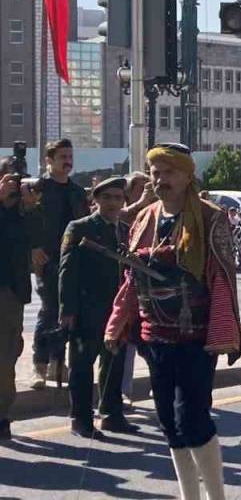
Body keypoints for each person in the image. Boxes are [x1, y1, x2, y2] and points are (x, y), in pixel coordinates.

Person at [104, 144, 241, 500]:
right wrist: (118, 323)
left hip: (196, 337)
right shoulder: (145, 217)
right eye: (155, 172)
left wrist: (227, 332)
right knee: (168, 421)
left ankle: (215, 496)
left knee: (192, 419)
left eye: (168, 172)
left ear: (186, 176)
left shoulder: (211, 218)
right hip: (155, 335)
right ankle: (188, 496)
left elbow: (222, 278)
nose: (159, 179)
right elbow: (132, 279)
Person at [58, 177, 138, 438]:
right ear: (95, 199)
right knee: (82, 366)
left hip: (117, 312)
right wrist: (67, 310)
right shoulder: (79, 228)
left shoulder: (126, 231)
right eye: (106, 197)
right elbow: (66, 271)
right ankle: (81, 420)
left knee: (114, 363)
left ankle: (112, 414)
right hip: (86, 309)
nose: (112, 203)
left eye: (117, 197)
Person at [30, 138, 89, 390]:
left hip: (73, 260)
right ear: (49, 160)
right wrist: (32, 249)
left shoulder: (77, 192)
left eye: (69, 156)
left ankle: (58, 362)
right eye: (62, 156)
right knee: (49, 308)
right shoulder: (38, 189)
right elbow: (27, 221)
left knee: (67, 311)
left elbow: (86, 223)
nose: (67, 160)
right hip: (48, 259)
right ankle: (39, 365)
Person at [0, 158, 36, 440]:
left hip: (11, 294)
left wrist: (31, 208)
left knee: (7, 356)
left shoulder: (25, 214)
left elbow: (40, 240)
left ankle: (2, 417)